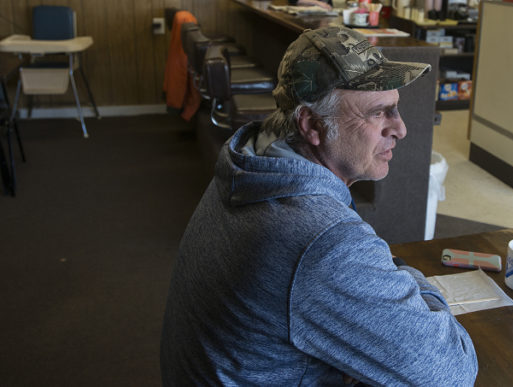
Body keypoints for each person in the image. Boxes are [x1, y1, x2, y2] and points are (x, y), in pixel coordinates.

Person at [160, 27, 478, 386]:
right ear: (312, 124)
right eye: (379, 113)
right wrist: (411, 281)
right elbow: (451, 372)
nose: (400, 129)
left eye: (397, 109)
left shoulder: (249, 165)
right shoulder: (323, 241)